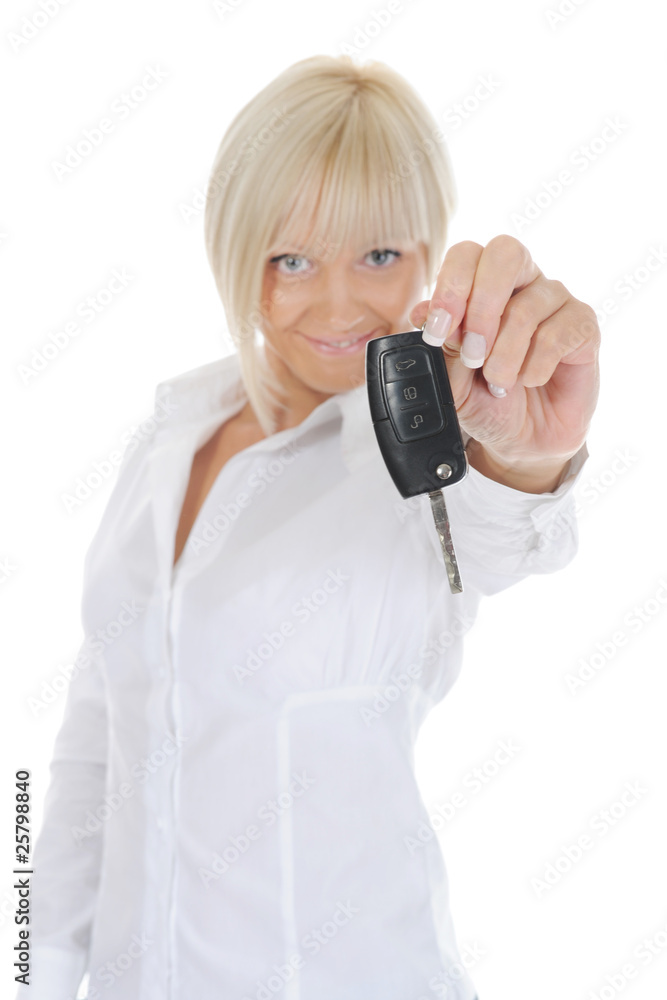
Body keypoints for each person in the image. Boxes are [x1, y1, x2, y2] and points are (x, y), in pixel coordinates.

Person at [17, 55, 598, 1000]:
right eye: (291, 259)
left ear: (427, 252)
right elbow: (91, 752)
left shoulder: (422, 458)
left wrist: (532, 457)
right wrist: (26, 969)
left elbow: (501, 531)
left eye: (379, 255)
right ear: (236, 253)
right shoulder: (168, 434)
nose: (337, 306)